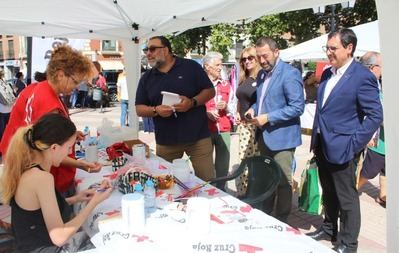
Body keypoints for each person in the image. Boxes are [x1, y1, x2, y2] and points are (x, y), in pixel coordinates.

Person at [308, 29, 383, 253]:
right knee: (328, 191)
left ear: (349, 48)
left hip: (344, 147)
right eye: (327, 48)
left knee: (347, 198)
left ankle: (349, 243)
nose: (328, 52)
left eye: (333, 48)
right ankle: (329, 229)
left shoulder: (362, 76)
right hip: (322, 144)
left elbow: (375, 115)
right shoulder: (329, 73)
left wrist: (354, 144)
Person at [1, 113, 112, 253]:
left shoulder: (27, 169)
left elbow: (37, 212)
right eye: (69, 147)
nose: (69, 152)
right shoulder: (42, 178)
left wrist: (77, 198)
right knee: (108, 239)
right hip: (40, 248)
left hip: (28, 245)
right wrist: (93, 203)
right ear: (54, 148)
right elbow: (59, 237)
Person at [0, 45, 102, 196]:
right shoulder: (48, 102)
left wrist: (70, 135)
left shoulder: (36, 88)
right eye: (75, 81)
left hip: (22, 169)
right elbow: (50, 151)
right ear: (60, 75)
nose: (76, 87)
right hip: (50, 180)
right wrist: (81, 164)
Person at [135, 36, 215, 181]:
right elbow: (139, 109)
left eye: (152, 49)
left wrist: (192, 102)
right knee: (165, 182)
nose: (148, 53)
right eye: (146, 50)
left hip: (198, 139)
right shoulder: (147, 77)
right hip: (166, 141)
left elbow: (210, 91)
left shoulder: (190, 67)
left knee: (206, 181)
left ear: (165, 50)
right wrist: (156, 110)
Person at [245, 37, 304, 222]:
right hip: (264, 136)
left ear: (277, 52)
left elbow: (297, 107)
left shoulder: (290, 73)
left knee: (283, 181)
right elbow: (262, 100)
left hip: (283, 139)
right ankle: (267, 215)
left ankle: (282, 220)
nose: (262, 61)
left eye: (266, 56)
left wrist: (268, 117)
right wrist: (253, 109)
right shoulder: (262, 74)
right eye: (259, 56)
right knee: (268, 177)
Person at [357, 51, 386, 207]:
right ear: (373, 67)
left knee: (385, 169)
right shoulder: (365, 83)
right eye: (382, 66)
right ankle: (351, 192)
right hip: (371, 137)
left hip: (380, 137)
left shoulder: (377, 82)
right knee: (367, 170)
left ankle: (383, 195)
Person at [234, 47, 261, 196]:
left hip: (256, 127)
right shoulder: (243, 78)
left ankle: (255, 193)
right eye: (243, 59)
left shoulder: (262, 78)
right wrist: (238, 111)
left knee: (255, 161)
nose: (247, 61)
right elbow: (241, 98)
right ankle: (243, 192)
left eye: (250, 58)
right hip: (244, 127)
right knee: (243, 160)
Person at [203, 51, 232, 190]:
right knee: (205, 164)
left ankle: (221, 190)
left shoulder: (226, 84)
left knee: (223, 165)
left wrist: (226, 107)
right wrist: (206, 113)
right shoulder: (199, 85)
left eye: (221, 64)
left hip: (224, 129)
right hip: (204, 130)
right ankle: (207, 190)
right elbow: (192, 106)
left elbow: (233, 106)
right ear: (207, 66)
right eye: (217, 64)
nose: (220, 67)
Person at [0, 70, 16, 143]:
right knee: (10, 129)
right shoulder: (5, 82)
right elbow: (13, 92)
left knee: (2, 131)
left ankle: (2, 146)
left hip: (2, 110)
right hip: (10, 108)